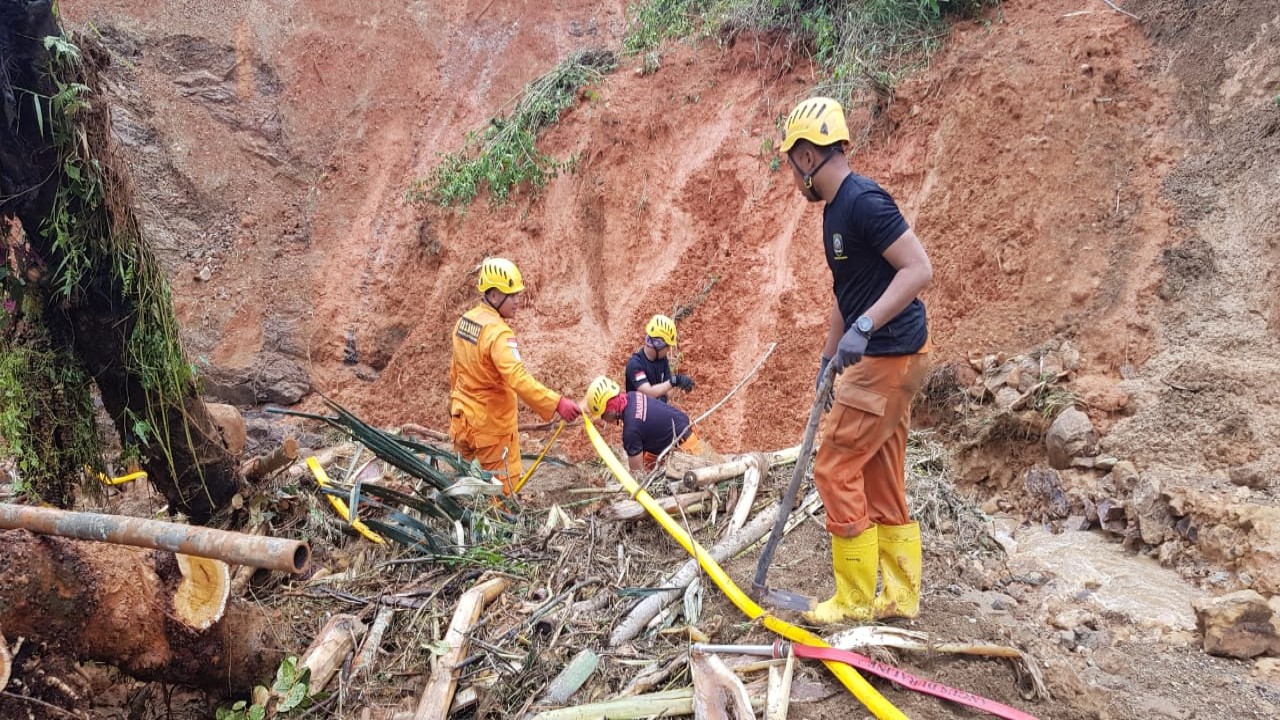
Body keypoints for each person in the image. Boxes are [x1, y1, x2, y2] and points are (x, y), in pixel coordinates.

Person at [781, 97, 933, 624]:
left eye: (790, 160)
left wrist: (866, 328)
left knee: (835, 466)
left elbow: (918, 269)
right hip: (896, 356)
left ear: (806, 155)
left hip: (888, 356)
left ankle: (851, 602)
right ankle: (899, 596)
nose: (791, 174)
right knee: (881, 472)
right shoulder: (834, 213)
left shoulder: (864, 200)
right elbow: (848, 293)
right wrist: (827, 358)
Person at [449, 258, 582, 494]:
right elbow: (518, 378)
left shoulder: (464, 322)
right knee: (501, 496)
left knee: (464, 490)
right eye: (512, 295)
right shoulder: (498, 333)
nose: (518, 301)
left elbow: (456, 372)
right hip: (491, 430)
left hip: (462, 422)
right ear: (493, 295)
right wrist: (556, 403)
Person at [585, 376, 708, 473]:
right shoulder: (632, 396)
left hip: (687, 451)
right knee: (647, 460)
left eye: (602, 415)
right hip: (686, 431)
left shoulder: (631, 431)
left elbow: (637, 476)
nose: (603, 419)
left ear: (610, 408)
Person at [624, 314, 694, 403]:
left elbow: (669, 388)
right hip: (637, 415)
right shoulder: (635, 364)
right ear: (658, 344)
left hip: (655, 412)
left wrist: (663, 398)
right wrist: (674, 381)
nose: (669, 349)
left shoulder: (662, 360)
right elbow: (647, 392)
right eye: (667, 346)